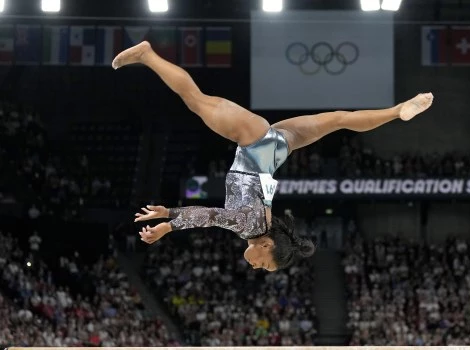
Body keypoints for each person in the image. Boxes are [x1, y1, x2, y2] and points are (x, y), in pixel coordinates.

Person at [114, 41, 434, 271]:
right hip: (254, 143)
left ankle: (396, 112)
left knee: (339, 119)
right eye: (265, 266)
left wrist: (169, 212)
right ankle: (148, 54)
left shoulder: (260, 223)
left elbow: (213, 213)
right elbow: (209, 216)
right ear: (266, 246)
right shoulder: (250, 226)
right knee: (196, 100)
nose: (256, 268)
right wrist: (169, 225)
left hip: (278, 149)